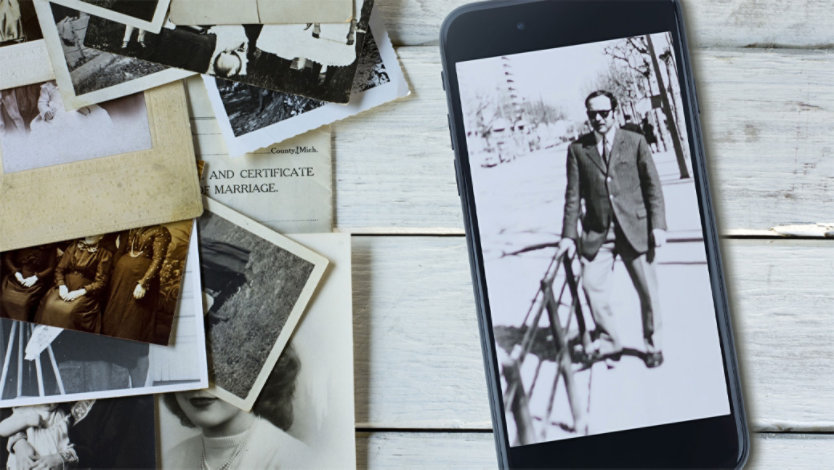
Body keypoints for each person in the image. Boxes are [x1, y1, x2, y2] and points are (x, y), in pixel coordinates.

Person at [559, 90, 667, 368]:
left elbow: (653, 187)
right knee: (590, 284)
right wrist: (568, 236)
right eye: (592, 114)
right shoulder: (578, 150)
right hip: (599, 233)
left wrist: (658, 226)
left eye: (604, 113)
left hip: (636, 229)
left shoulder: (635, 141)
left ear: (614, 112)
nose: (598, 119)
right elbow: (573, 196)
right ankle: (610, 342)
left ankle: (653, 344)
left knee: (648, 292)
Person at [163, 347, 311, 469]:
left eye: (218, 367)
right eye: (186, 367)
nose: (200, 384)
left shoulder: (293, 460)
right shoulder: (170, 461)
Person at [34, 235, 112, 334]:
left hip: (85, 291)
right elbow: (59, 269)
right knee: (49, 305)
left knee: (68, 312)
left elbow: (100, 282)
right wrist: (61, 285)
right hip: (65, 285)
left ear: (101, 236)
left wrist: (79, 292)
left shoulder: (104, 254)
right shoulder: (73, 247)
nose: (90, 236)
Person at [0, 404, 77, 469]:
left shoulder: (61, 414)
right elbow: (2, 429)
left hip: (51, 464)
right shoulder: (25, 409)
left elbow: (67, 441)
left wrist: (62, 457)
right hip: (27, 463)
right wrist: (26, 421)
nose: (47, 401)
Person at [0, 245, 56, 322]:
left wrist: (35, 278)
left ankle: (20, 328)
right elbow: (7, 259)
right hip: (15, 278)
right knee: (4, 299)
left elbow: (51, 267)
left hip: (35, 282)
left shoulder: (50, 246)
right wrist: (16, 273)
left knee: (23, 303)